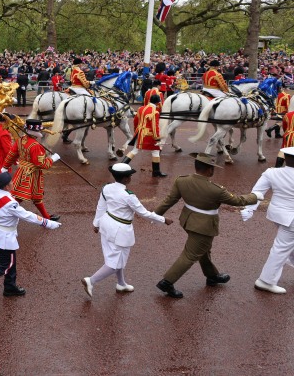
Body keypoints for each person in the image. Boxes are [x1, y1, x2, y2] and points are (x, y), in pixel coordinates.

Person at [152, 152, 262, 298]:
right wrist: (255, 197)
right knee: (190, 255)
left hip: (188, 221)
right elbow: (237, 200)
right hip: (203, 226)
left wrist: (155, 216)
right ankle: (167, 282)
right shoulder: (216, 189)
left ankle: (212, 276)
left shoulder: (181, 180)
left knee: (203, 249)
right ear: (210, 169)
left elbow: (169, 200)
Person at [0, 172, 61, 302]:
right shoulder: (10, 203)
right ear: (5, 186)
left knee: (10, 261)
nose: (12, 183)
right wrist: (48, 223)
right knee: (5, 265)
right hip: (5, 237)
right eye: (10, 182)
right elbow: (28, 216)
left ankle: (10, 287)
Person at [81, 163, 171, 298]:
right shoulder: (128, 195)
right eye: (130, 175)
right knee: (114, 264)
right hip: (120, 230)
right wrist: (163, 220)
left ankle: (121, 284)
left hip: (107, 224)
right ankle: (91, 280)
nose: (131, 177)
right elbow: (144, 213)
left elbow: (101, 207)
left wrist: (96, 223)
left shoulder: (106, 188)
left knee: (118, 258)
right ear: (126, 179)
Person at [242, 147, 294, 293]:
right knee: (281, 248)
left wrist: (249, 209)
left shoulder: (272, 172)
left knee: (287, 244)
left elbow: (257, 192)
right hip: (291, 219)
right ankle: (266, 280)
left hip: (277, 215)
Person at [1, 119, 61, 221]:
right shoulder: (36, 146)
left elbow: (12, 154)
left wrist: (5, 166)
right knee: (19, 197)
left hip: (23, 171)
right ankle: (3, 214)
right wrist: (52, 159)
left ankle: (46, 217)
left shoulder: (21, 140)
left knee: (36, 196)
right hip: (31, 174)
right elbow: (41, 164)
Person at [122, 94, 167, 178]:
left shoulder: (141, 108)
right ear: (157, 103)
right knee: (155, 151)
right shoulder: (155, 112)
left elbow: (135, 121)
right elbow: (154, 126)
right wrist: (157, 139)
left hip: (140, 132)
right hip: (149, 135)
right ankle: (156, 171)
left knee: (135, 150)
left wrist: (137, 131)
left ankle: (122, 165)